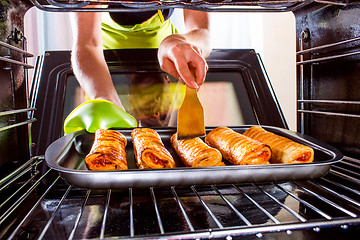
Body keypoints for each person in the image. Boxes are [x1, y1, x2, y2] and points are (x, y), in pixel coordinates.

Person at [69, 5, 211, 111]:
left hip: (170, 59)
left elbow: (203, 35)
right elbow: (87, 44)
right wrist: (105, 99)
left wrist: (181, 41)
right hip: (100, 68)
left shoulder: (168, 101)